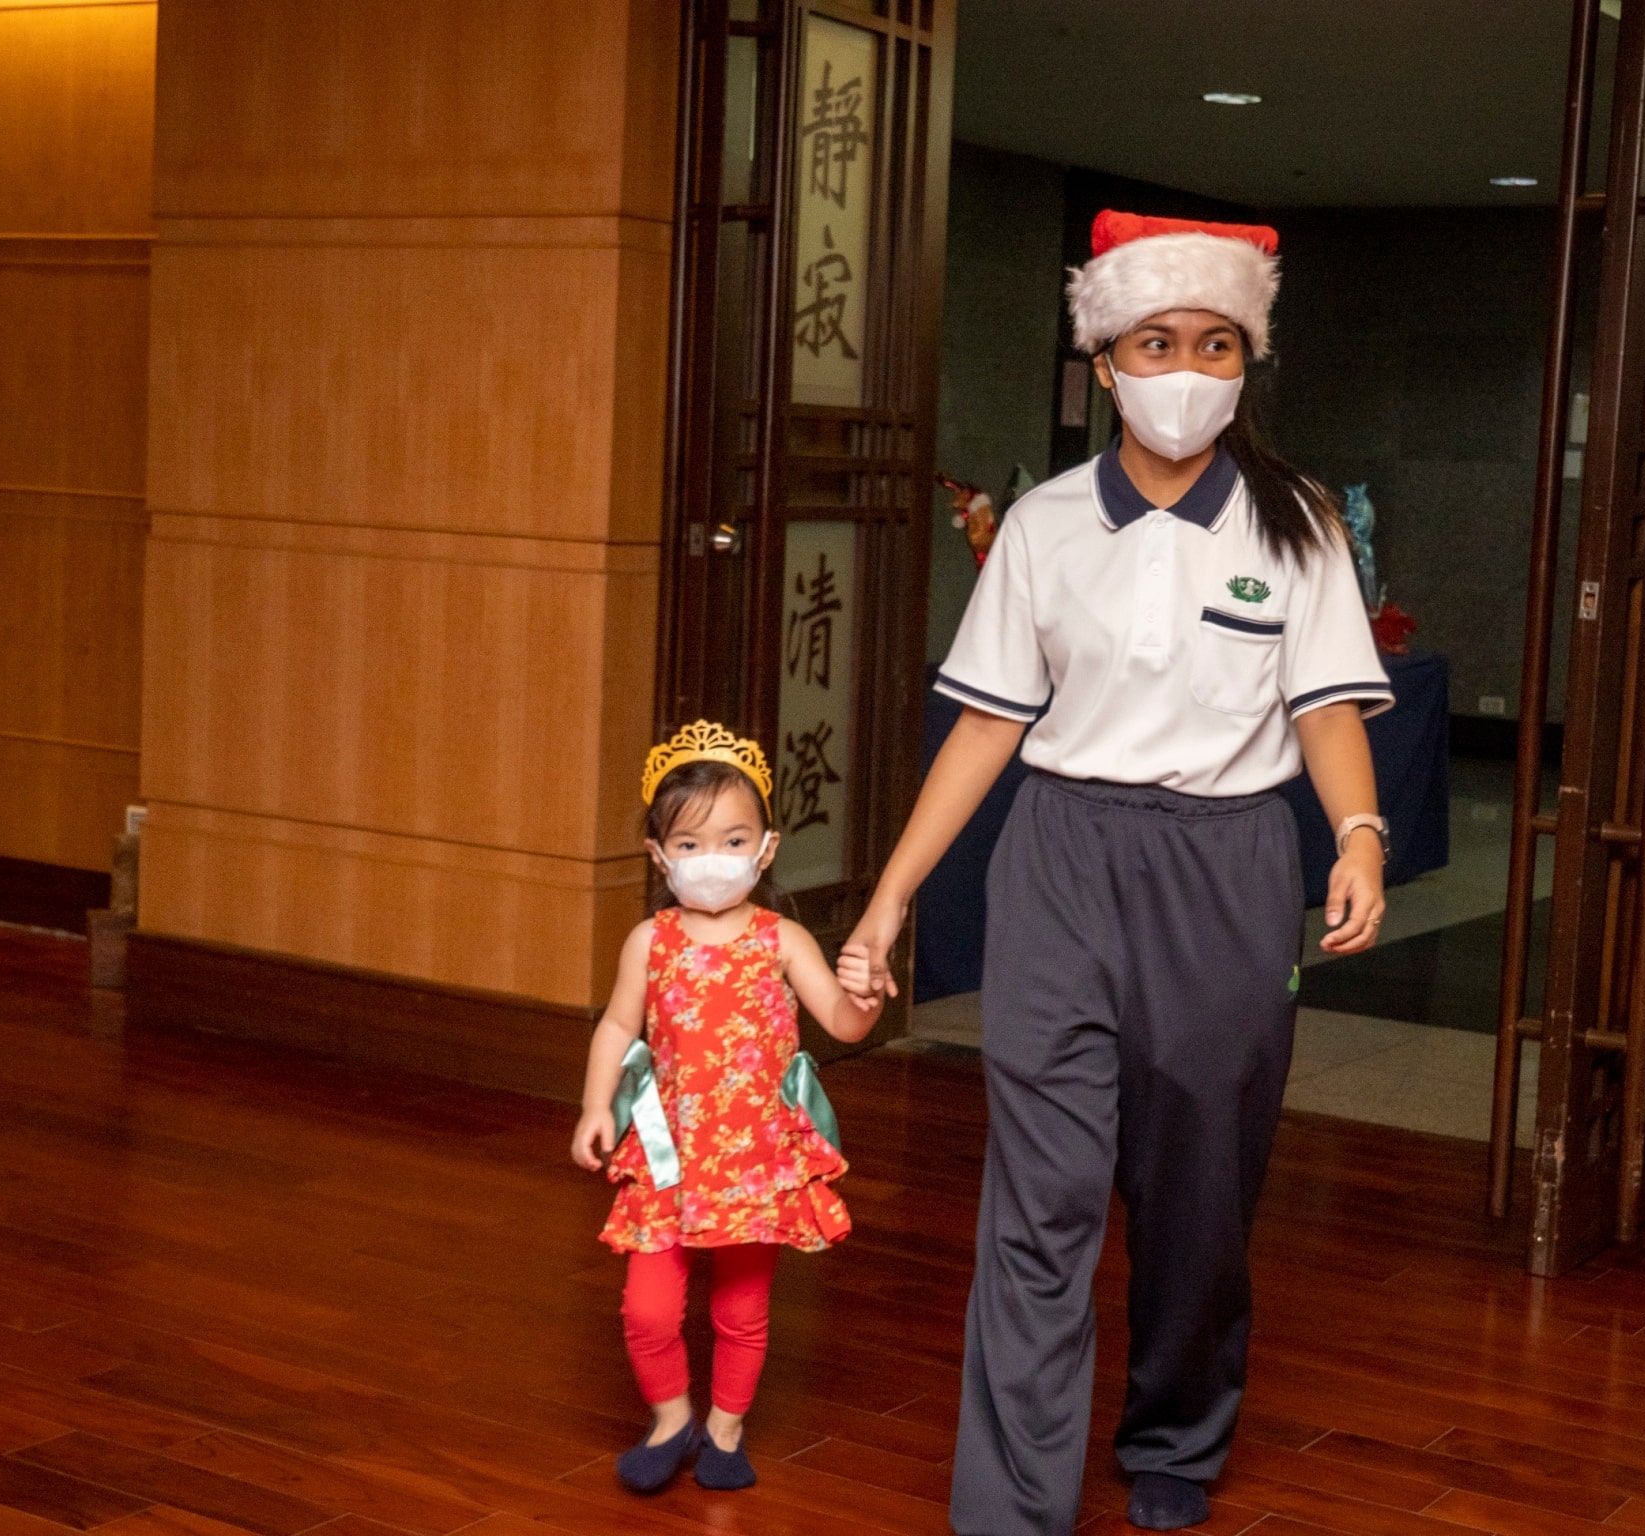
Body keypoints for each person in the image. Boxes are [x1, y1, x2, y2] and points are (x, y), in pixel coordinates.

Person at [846, 212, 1394, 1533]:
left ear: (1246, 357)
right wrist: (892, 892)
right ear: (1107, 362)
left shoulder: (1298, 520)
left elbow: (1323, 708)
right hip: (1063, 860)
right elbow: (989, 720)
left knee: (1198, 1185)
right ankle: (1010, 1504)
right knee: (1039, 1198)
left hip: (1229, 865)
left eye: (1215, 343)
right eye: (1158, 342)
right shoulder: (1041, 527)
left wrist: (1361, 835)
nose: (1187, 368)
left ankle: (1176, 1432)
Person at [572, 721, 881, 1495]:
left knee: (740, 1309)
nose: (713, 860)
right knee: (647, 1309)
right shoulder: (651, 940)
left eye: (733, 840)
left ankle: (725, 1429)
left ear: (766, 848)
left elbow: (842, 1024)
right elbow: (616, 1025)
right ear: (659, 854)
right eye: (690, 844)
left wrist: (868, 997)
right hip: (667, 1153)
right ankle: (671, 1417)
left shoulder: (784, 941)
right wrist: (592, 1107)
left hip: (755, 1160)